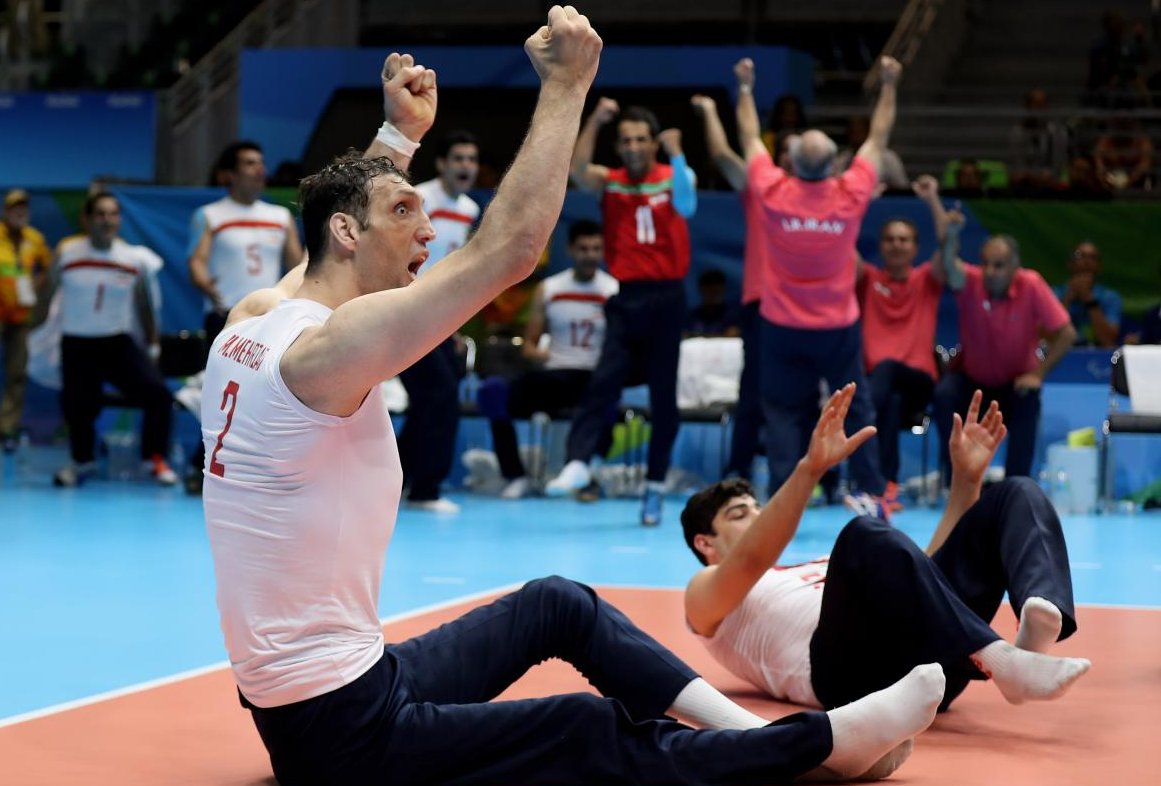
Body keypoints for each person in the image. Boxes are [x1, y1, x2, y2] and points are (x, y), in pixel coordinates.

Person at [201, 15, 945, 784]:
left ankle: (751, 730)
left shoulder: (260, 317)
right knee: (579, 725)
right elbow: (511, 250)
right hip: (337, 731)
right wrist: (566, 85)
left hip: (343, 685)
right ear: (349, 233)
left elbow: (332, 233)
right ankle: (807, 750)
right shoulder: (328, 355)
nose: (427, 230)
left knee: (558, 603)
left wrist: (397, 137)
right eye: (404, 212)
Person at [680, 386, 1091, 714]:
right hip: (847, 679)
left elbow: (924, 578)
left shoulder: (818, 568)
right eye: (738, 514)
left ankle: (1038, 620)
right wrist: (810, 469)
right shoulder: (704, 595)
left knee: (1016, 493)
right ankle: (1002, 661)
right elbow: (753, 556)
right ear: (705, 543)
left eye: (758, 508)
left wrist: (966, 483)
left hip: (928, 663)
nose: (755, 517)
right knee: (863, 533)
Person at [733, 55, 900, 512]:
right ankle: (869, 492)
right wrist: (888, 85)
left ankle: (788, 498)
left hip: (781, 326)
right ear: (831, 166)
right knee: (855, 408)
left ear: (793, 164)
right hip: (836, 327)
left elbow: (748, 137)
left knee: (784, 412)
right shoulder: (849, 195)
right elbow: (879, 138)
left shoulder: (771, 190)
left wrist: (746, 89)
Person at [545, 94, 698, 527]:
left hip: (668, 300)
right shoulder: (611, 182)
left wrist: (678, 151)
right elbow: (576, 171)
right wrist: (594, 119)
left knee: (663, 400)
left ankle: (653, 488)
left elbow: (687, 205)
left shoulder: (673, 175)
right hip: (627, 298)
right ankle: (580, 461)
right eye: (625, 140)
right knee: (603, 382)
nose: (632, 147)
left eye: (640, 140)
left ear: (653, 144)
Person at [185, 140, 303, 493]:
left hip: (272, 320)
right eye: (250, 164)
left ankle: (258, 470)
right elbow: (196, 262)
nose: (259, 170)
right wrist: (208, 288)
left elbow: (298, 265)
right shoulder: (210, 215)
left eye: (261, 163)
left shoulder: (280, 216)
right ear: (229, 175)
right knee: (221, 397)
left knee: (267, 396)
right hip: (227, 319)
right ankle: (203, 466)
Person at [42, 192, 177, 487]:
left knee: (159, 395)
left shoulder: (133, 259)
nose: (107, 220)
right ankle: (82, 461)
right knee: (78, 405)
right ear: (87, 219)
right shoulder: (67, 254)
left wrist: (152, 344)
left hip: (117, 344)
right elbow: (45, 298)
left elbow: (144, 305)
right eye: (100, 214)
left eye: (113, 214)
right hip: (77, 343)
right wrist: (34, 335)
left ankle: (153, 457)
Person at [932, 212, 1077, 482]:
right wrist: (951, 235)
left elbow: (1067, 334)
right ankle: (955, 481)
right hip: (973, 383)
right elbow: (951, 267)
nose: (990, 271)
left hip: (1014, 386)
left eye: (998, 265)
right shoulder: (971, 282)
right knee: (945, 394)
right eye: (985, 263)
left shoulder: (1031, 284)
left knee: (1028, 400)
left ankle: (1016, 484)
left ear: (1014, 266)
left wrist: (1038, 374)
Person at [480, 218, 618, 498]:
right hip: (555, 375)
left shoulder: (613, 292)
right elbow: (528, 346)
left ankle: (586, 475)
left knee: (608, 401)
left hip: (593, 377)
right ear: (570, 250)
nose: (590, 256)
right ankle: (515, 476)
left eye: (596, 249)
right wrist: (537, 354)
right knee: (492, 392)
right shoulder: (550, 289)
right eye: (583, 249)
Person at [396, 129, 482, 513]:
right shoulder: (420, 199)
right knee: (441, 395)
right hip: (409, 312)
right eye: (459, 158)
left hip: (442, 321)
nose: (466, 166)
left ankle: (400, 480)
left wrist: (455, 324)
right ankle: (425, 489)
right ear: (442, 164)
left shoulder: (470, 211)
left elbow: (459, 271)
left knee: (428, 401)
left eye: (472, 160)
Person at [689, 92, 774, 483]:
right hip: (763, 308)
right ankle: (738, 471)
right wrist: (714, 108)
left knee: (806, 399)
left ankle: (815, 479)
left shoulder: (825, 200)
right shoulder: (763, 192)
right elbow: (724, 154)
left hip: (811, 312)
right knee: (752, 396)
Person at [855, 174, 950, 511]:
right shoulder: (867, 279)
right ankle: (885, 489)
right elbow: (840, 246)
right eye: (890, 239)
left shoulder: (926, 279)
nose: (897, 245)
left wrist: (933, 200)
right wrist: (861, 201)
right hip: (883, 391)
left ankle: (859, 450)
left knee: (886, 373)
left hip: (918, 383)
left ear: (914, 246)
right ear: (880, 246)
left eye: (904, 239)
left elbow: (947, 246)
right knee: (889, 401)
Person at [0, 189, 51, 451]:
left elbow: (49, 267)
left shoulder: (35, 239)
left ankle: (7, 428)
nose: (19, 213)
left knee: (16, 374)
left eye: (23, 208)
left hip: (22, 316)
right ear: (5, 211)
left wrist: (37, 282)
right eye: (13, 208)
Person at [1053, 241, 1122, 348]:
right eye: (1080, 256)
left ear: (1099, 266)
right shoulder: (1054, 294)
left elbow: (1108, 341)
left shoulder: (1110, 297)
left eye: (1093, 257)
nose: (1087, 261)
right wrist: (1067, 299)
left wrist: (1090, 300)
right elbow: (1048, 337)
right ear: (1070, 263)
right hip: (1062, 356)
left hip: (1098, 358)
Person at [685, 269, 740, 338]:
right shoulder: (692, 317)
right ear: (701, 289)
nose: (713, 290)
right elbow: (684, 334)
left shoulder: (733, 316)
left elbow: (734, 333)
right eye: (708, 285)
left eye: (717, 286)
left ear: (723, 288)